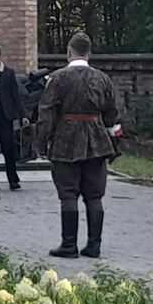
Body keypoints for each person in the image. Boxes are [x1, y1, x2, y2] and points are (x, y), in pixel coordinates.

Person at [35, 32, 119, 259]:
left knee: (68, 194)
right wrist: (114, 141)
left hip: (65, 140)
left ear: (69, 53)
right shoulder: (103, 78)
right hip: (97, 140)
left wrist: (41, 142)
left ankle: (69, 245)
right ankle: (94, 245)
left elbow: (47, 112)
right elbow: (112, 114)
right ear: (89, 54)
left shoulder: (57, 78)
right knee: (94, 196)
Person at [0, 41, 30, 191]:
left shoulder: (8, 73)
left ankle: (13, 179)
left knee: (8, 147)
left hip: (4, 115)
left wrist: (23, 115)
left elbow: (15, 95)